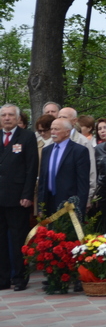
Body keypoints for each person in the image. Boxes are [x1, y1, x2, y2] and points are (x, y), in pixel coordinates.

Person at [0, 104, 39, 291]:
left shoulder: (27, 136)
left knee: (18, 239)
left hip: (17, 197)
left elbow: (31, 168)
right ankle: (3, 277)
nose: (7, 118)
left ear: (17, 118)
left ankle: (20, 277)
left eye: (10, 115)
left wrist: (27, 194)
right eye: (3, 115)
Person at [37, 118, 91, 216]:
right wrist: (40, 206)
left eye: (56, 129)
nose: (53, 132)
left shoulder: (79, 151)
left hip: (68, 203)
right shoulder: (46, 150)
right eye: (51, 129)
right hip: (48, 202)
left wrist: (79, 208)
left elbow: (83, 183)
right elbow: (42, 179)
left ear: (67, 132)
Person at [58, 107, 97, 210]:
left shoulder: (83, 142)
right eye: (59, 117)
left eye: (64, 117)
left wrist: (88, 197)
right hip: (55, 196)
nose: (61, 120)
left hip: (75, 197)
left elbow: (91, 172)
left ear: (74, 121)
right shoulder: (53, 141)